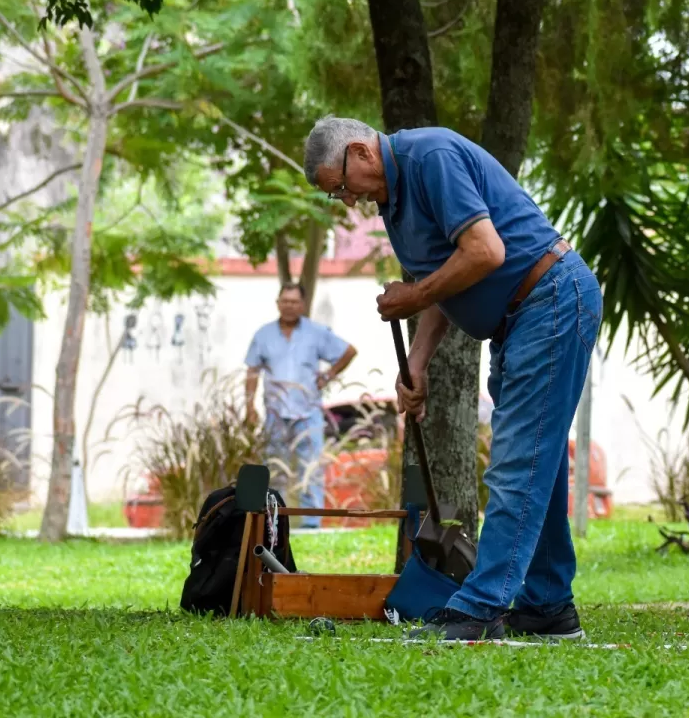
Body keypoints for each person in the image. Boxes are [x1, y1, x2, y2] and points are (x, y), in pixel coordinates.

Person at [302, 115, 602, 641]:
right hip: (519, 320)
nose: (349, 202)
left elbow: (486, 251)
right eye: (338, 197)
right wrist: (417, 362)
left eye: (343, 188)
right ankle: (549, 605)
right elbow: (439, 279)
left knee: (516, 463)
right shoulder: (395, 203)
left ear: (361, 151)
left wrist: (412, 297)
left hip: (550, 299)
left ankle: (479, 608)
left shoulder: (430, 158)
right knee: (540, 464)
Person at [245, 282, 357, 528]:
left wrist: (328, 375)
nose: (289, 306)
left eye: (294, 302)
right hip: (275, 413)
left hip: (308, 412)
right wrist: (249, 405)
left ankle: (311, 524)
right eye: (285, 301)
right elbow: (252, 371)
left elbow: (349, 351)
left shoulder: (316, 332)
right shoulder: (263, 335)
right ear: (277, 303)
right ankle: (275, 521)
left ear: (303, 305)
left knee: (311, 468)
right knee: (275, 469)